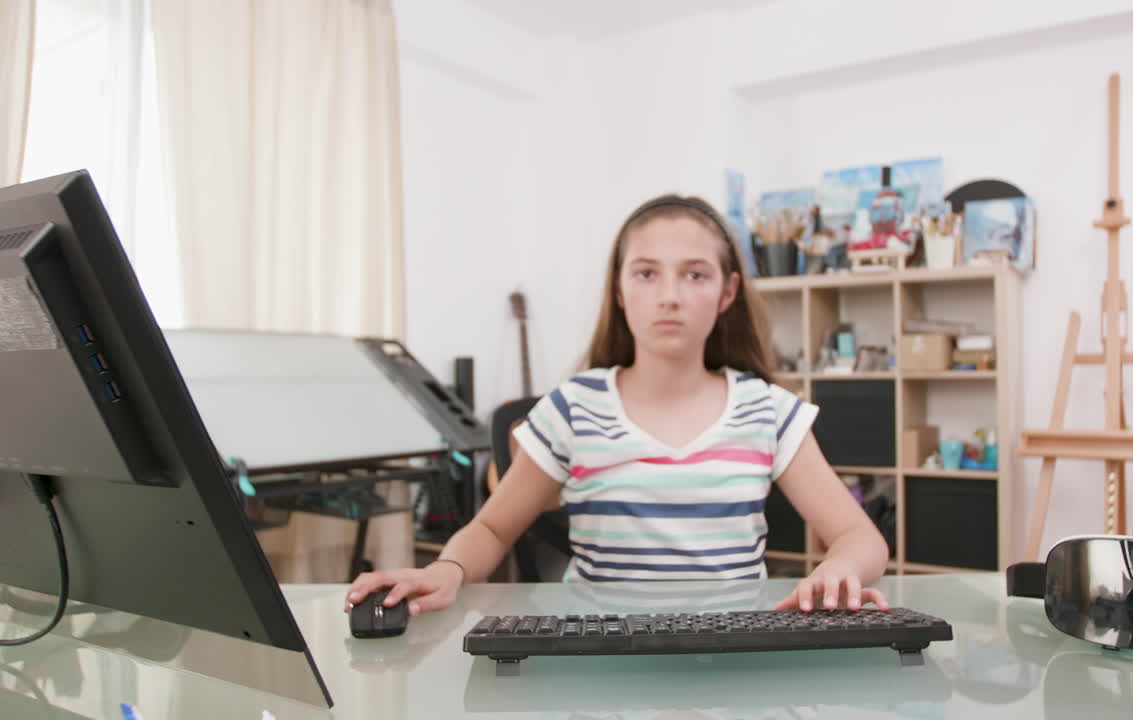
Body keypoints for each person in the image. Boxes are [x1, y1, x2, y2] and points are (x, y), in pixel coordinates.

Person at [346, 194, 890, 618]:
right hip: (598, 661)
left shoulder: (768, 412)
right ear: (621, 289)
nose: (670, 294)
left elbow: (861, 537)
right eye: (647, 273)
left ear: (727, 293)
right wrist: (448, 569)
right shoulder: (574, 409)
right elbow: (491, 531)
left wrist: (838, 570)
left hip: (730, 659)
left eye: (695, 274)